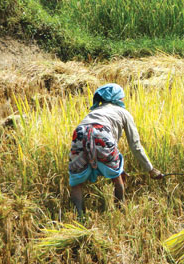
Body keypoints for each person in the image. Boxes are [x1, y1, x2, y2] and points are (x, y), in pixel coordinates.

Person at [68, 83, 163, 218]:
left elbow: (89, 136)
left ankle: (79, 216)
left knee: (76, 181)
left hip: (80, 133)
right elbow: (135, 145)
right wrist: (151, 169)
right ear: (117, 98)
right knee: (116, 174)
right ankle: (120, 209)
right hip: (102, 132)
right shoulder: (123, 112)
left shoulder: (94, 112)